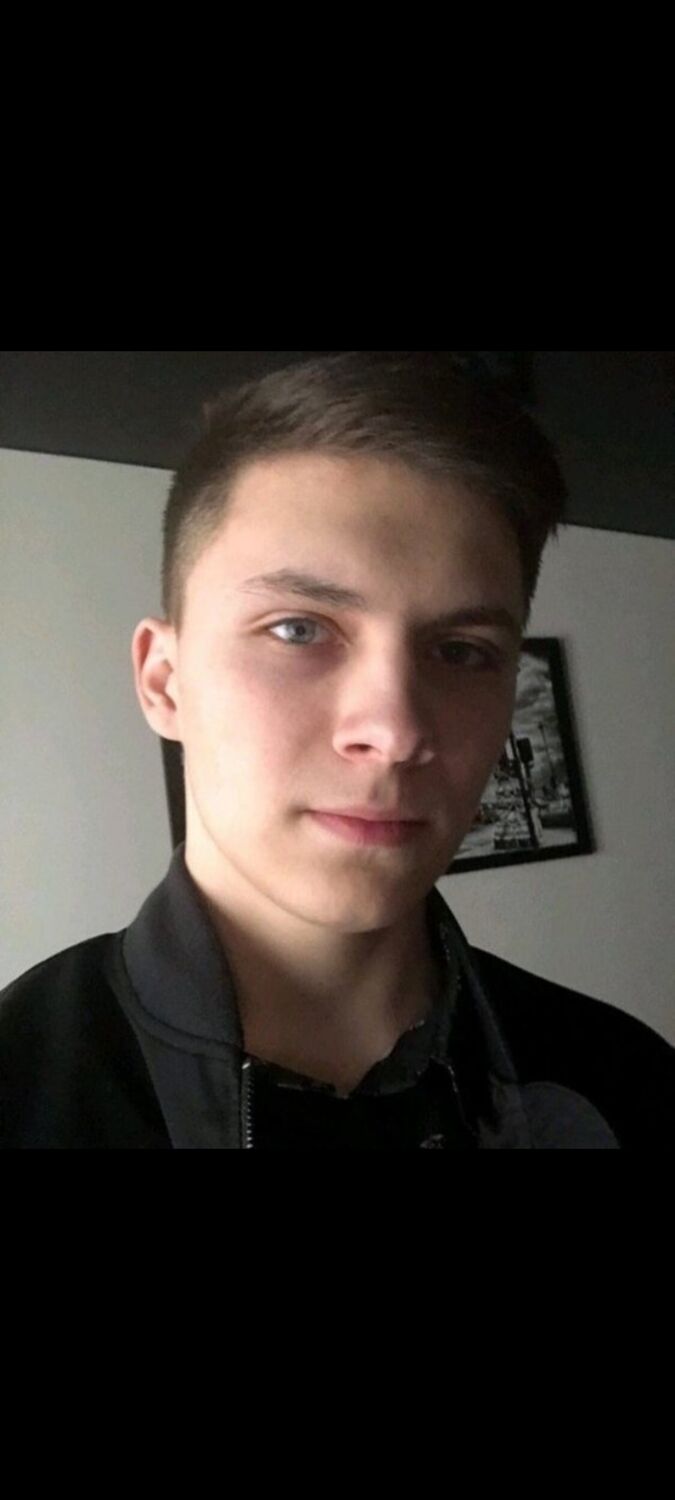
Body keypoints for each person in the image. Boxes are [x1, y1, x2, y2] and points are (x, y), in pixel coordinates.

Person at [1, 350, 673, 1149]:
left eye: (460, 651)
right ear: (164, 681)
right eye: (297, 630)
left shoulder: (624, 1082)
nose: (395, 733)